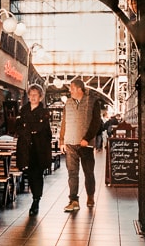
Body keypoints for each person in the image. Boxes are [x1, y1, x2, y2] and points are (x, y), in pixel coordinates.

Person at [59, 76, 101, 211]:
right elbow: (64, 122)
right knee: (72, 173)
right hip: (70, 143)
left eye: (71, 88)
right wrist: (61, 141)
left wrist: (87, 138)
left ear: (78, 89)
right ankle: (73, 200)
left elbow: (96, 123)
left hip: (85, 144)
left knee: (88, 172)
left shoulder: (93, 102)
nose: (70, 91)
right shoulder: (68, 103)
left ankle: (90, 196)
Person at [15, 83, 52, 216]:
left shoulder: (44, 112)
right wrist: (28, 129)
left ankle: (36, 200)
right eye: (31, 95)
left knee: (37, 174)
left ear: (40, 97)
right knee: (30, 173)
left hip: (39, 149)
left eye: (35, 95)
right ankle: (35, 198)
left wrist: (28, 128)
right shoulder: (23, 110)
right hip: (25, 148)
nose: (33, 97)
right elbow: (18, 126)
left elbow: (41, 129)